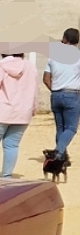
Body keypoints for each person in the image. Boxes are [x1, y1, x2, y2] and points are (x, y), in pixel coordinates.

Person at [0, 53, 39, 178]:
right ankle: (6, 176)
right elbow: (35, 89)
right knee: (12, 145)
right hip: (22, 113)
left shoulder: (0, 66)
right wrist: (33, 107)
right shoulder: (30, 67)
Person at [42, 27, 80, 160]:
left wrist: (55, 89)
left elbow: (46, 79)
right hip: (72, 94)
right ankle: (58, 152)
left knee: (60, 128)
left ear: (64, 39)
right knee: (71, 128)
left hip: (56, 95)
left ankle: (62, 157)